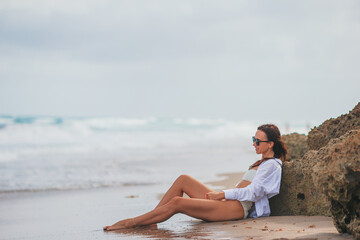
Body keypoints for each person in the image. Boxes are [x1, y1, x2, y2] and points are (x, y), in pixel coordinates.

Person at [103, 124, 288, 230]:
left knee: (177, 202)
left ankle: (131, 222)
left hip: (237, 208)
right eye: (253, 139)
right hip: (228, 202)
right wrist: (222, 195)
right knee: (183, 179)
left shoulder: (272, 165)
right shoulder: (262, 162)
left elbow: (254, 192)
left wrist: (222, 194)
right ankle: (151, 222)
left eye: (258, 141)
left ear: (270, 144)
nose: (254, 144)